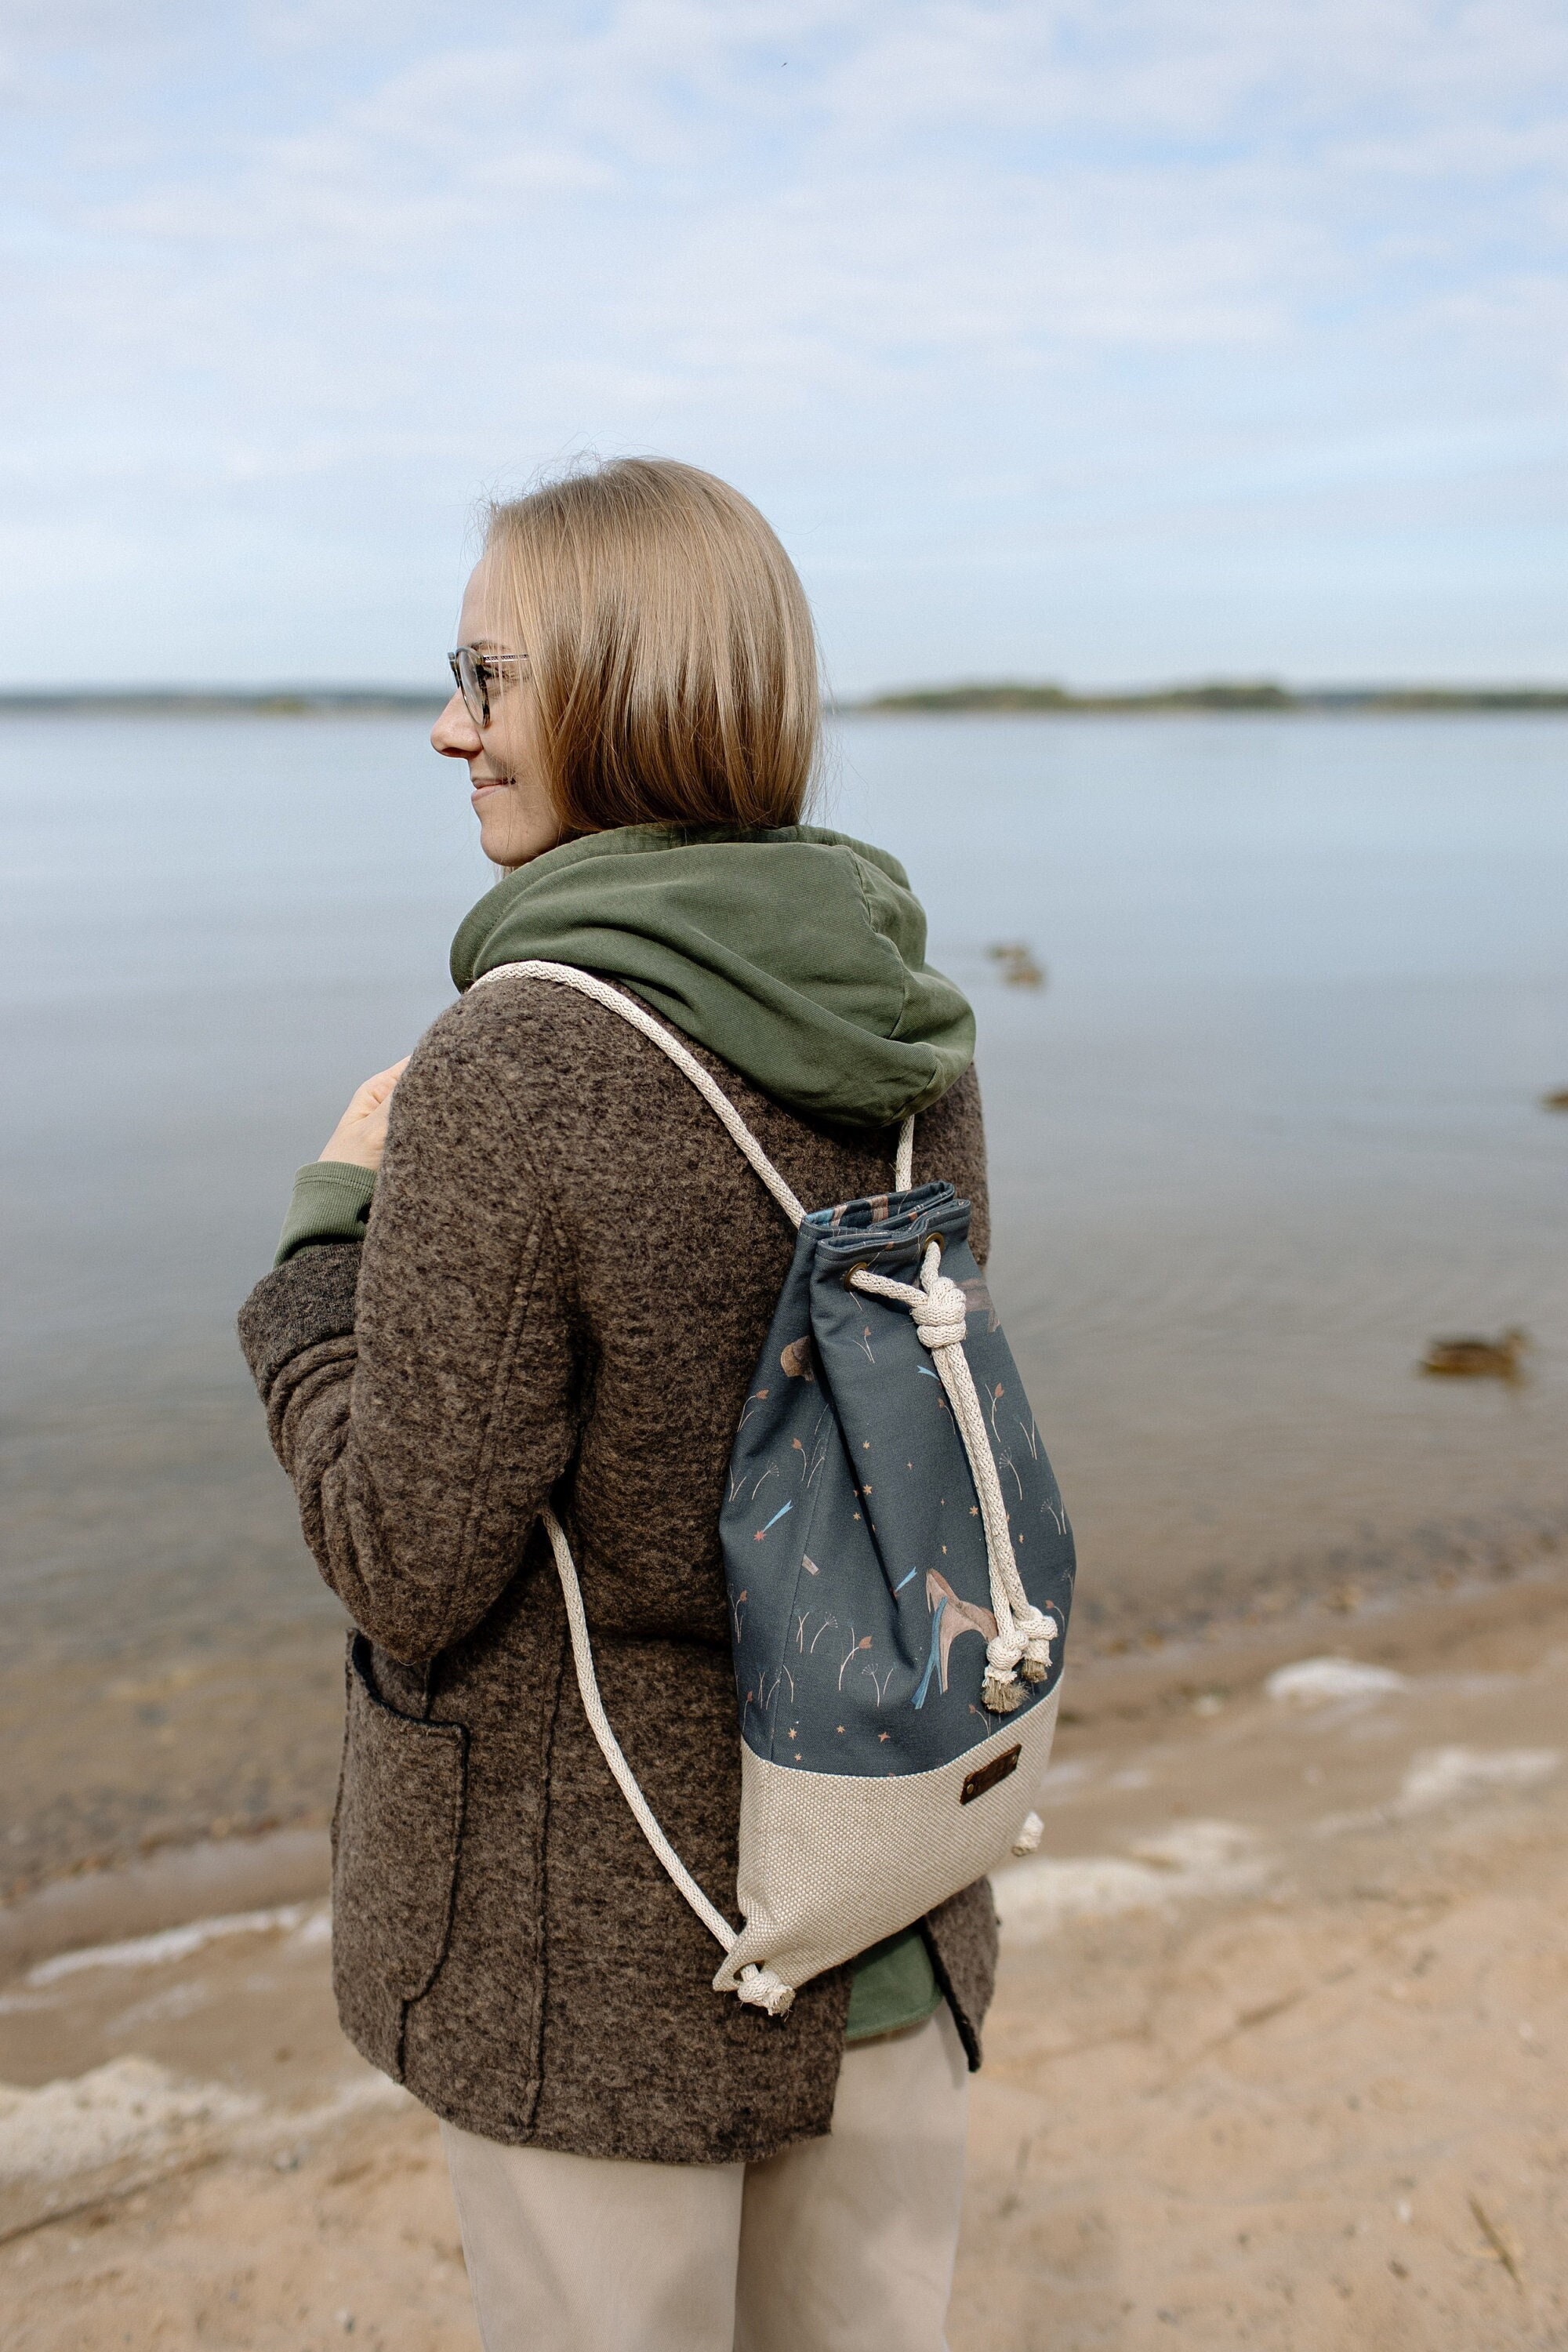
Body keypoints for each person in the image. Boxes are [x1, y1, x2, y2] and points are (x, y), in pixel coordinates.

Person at [238, 457, 997, 2352]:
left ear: (622, 690)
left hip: (612, 1958)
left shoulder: (521, 1053)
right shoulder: (900, 1018)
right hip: (888, 1891)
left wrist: (326, 1254)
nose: (447, 727)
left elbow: (407, 1560)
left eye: (486, 679)